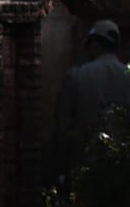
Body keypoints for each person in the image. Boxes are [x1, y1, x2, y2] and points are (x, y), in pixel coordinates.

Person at [53, 18, 130, 186]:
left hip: (85, 165)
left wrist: (60, 169)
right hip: (122, 170)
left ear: (95, 44)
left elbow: (63, 125)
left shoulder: (77, 76)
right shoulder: (127, 76)